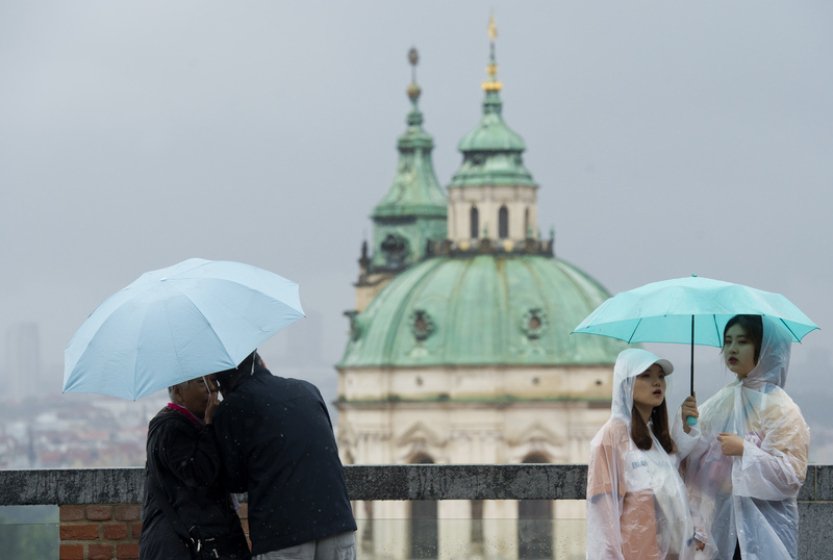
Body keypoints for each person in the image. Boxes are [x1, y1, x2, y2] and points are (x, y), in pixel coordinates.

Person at [684, 315, 810, 559]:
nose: (732, 349)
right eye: (728, 341)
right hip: (723, 527)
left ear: (763, 348)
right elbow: (694, 461)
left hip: (766, 529)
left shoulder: (781, 408)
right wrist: (687, 427)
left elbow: (791, 475)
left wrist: (745, 450)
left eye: (742, 341)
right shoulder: (722, 401)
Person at [211, 352, 357, 560]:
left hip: (282, 530)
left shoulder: (234, 406)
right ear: (262, 363)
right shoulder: (307, 389)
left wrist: (211, 423)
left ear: (221, 382)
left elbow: (233, 480)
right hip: (337, 522)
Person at [586, 348, 700, 560]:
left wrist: (685, 427)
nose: (657, 382)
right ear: (626, 384)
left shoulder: (654, 437)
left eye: (660, 376)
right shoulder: (612, 437)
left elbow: (672, 482)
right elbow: (603, 517)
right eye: (646, 376)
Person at [140, 375, 251, 559]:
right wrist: (209, 426)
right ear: (178, 393)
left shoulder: (192, 424)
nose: (212, 388)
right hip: (181, 545)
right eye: (201, 382)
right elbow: (199, 473)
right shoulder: (170, 427)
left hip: (199, 541)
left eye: (213, 381)